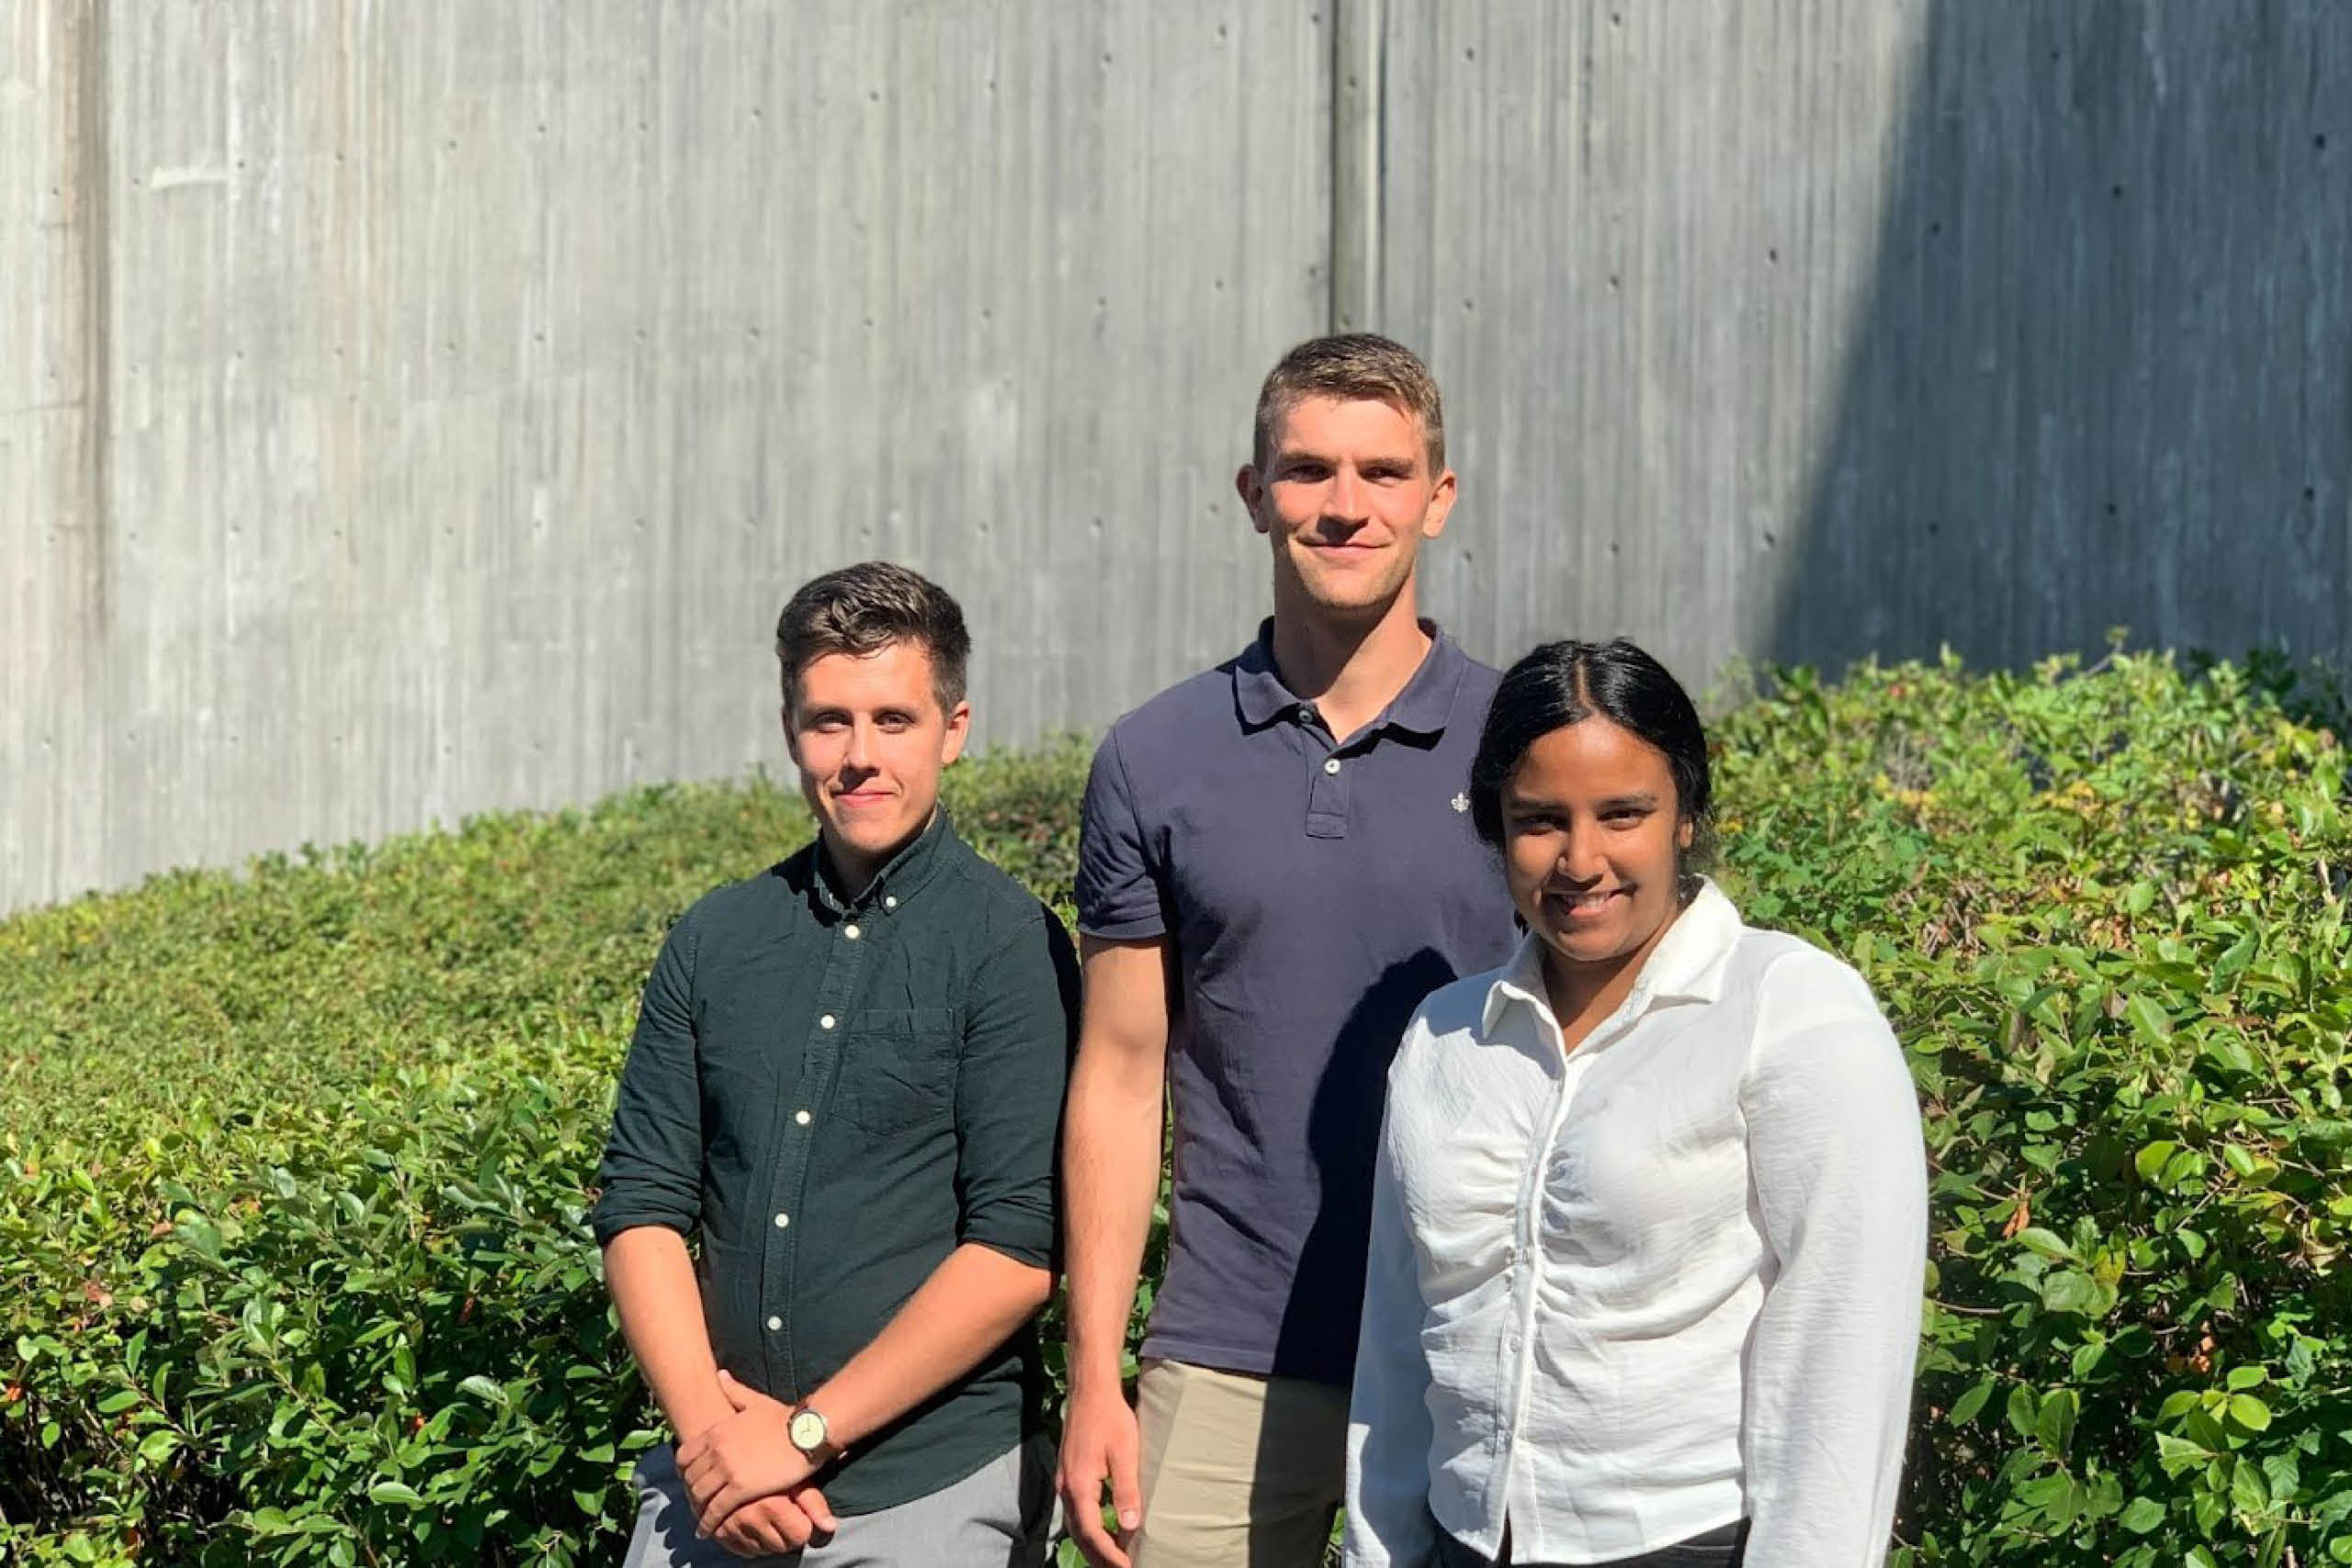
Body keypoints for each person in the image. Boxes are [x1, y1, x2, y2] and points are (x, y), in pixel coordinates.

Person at [1057, 333, 1521, 1568]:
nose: (1346, 504)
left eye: (1383, 471)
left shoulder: (1524, 746)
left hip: (1470, 1347)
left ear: (1438, 495)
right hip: (1226, 1349)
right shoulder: (1153, 757)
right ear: (1254, 493)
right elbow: (1120, 1072)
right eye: (1309, 469)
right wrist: (1095, 1373)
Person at [1343, 638, 1928, 1568]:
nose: (1581, 860)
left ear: (1684, 816)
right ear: (1496, 829)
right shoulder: (1445, 1039)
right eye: (1540, 820)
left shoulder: (1788, 1010)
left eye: (1623, 813)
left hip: (1682, 1544)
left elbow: (1842, 1355)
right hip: (1460, 1542)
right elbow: (1398, 1342)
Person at [594, 561, 1076, 1566]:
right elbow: (641, 1207)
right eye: (829, 722)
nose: (860, 756)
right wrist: (715, 1446)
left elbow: (1015, 1251)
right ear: (789, 730)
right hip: (717, 1475)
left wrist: (802, 1435)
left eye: (893, 720)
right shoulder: (715, 939)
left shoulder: (1010, 945)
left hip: (926, 1483)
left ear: (953, 728)